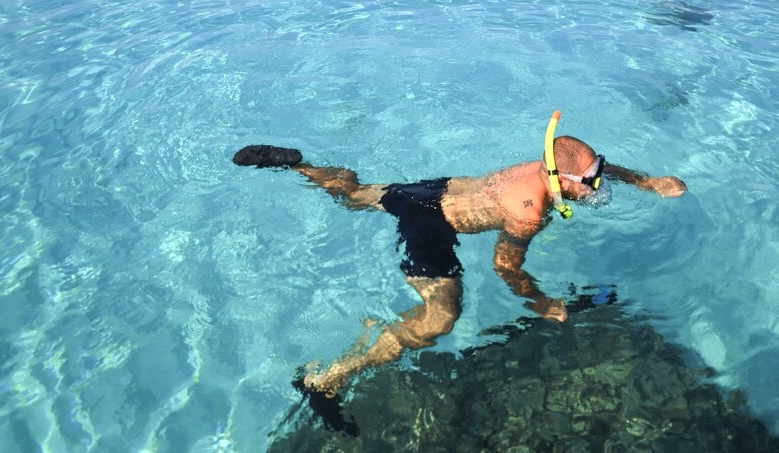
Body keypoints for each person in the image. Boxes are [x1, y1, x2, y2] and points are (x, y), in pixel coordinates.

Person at [233, 111, 687, 427]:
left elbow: (587, 165)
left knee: (355, 195)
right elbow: (505, 266)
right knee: (439, 320)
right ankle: (326, 380)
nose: (598, 183)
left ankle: (300, 167)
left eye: (600, 172)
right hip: (431, 223)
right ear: (560, 180)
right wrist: (541, 302)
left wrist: (647, 181)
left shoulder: (551, 167)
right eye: (592, 181)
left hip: (433, 189)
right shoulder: (529, 210)